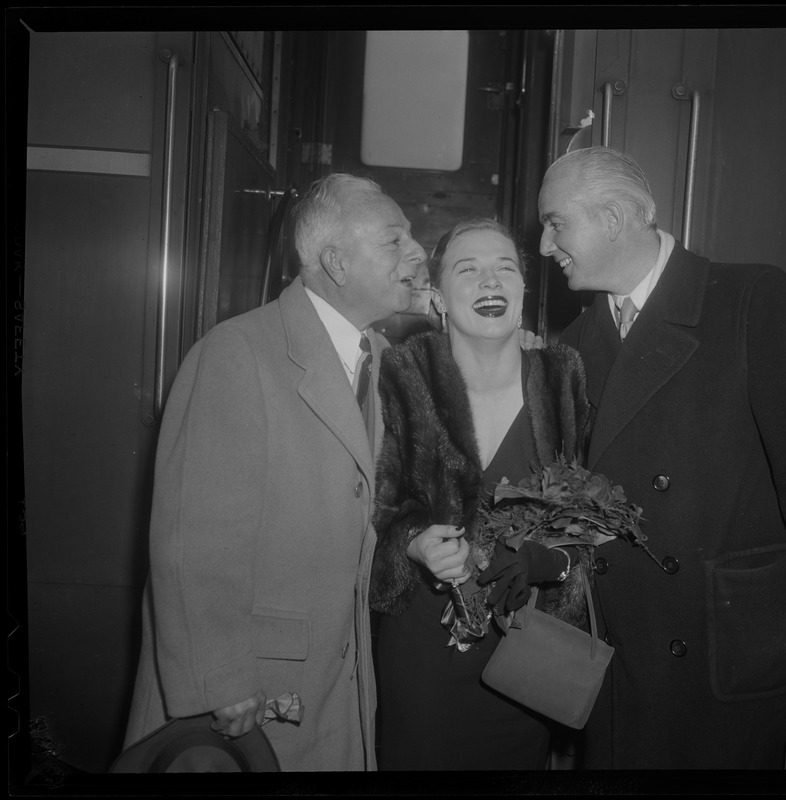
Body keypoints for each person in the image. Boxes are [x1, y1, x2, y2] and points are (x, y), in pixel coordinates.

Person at [537, 146, 786, 770]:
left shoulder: (753, 299)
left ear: (612, 218)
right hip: (622, 644)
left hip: (729, 633)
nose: (544, 245)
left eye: (556, 223)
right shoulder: (578, 340)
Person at [122, 173, 426, 771]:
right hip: (251, 693)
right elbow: (195, 540)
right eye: (395, 240)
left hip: (338, 676)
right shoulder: (237, 353)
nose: (417, 253)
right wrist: (221, 680)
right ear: (335, 261)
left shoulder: (388, 364)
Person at [368, 218, 592, 771]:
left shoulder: (563, 378)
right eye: (468, 270)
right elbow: (378, 506)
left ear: (522, 290)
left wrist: (558, 561)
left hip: (527, 644)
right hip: (425, 642)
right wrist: (415, 544)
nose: (490, 281)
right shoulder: (402, 374)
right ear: (440, 298)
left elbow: (592, 514)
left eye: (505, 268)